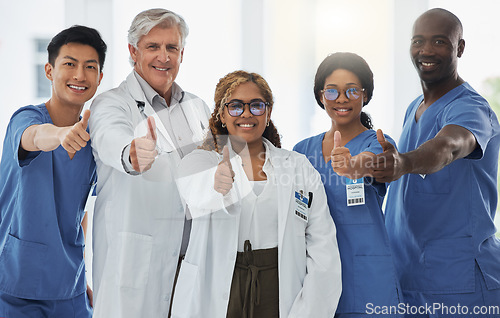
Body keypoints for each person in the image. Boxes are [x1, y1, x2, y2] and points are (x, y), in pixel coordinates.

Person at [171, 70, 342, 318]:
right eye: (236, 106)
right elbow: (191, 189)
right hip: (221, 291)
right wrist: (215, 182)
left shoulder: (298, 166)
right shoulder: (203, 161)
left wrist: (309, 311)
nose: (247, 113)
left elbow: (322, 247)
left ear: (268, 112)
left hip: (278, 289)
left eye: (257, 106)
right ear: (221, 113)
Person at [373, 8, 500, 316]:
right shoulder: (414, 108)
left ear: (460, 48)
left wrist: (403, 162)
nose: (426, 51)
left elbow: (448, 147)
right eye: (419, 41)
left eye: (440, 42)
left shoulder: (469, 108)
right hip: (410, 279)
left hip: (461, 284)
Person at [88, 8, 210, 318]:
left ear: (182, 53)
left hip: (190, 264)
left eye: (172, 47)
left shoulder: (197, 108)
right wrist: (132, 153)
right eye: (153, 46)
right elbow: (109, 138)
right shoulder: (112, 103)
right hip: (136, 265)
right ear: (133, 51)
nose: (163, 57)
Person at [0, 25, 106, 317]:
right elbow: (33, 137)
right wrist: (60, 136)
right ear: (49, 70)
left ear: (99, 77)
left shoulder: (93, 140)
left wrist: (81, 276)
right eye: (69, 64)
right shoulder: (26, 118)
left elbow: (79, 209)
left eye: (90, 67)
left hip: (69, 287)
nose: (79, 75)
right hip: (16, 284)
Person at [293, 52, 402, 317]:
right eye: (332, 91)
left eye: (352, 90)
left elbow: (372, 161)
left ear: (365, 95)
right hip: (314, 276)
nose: (341, 99)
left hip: (367, 277)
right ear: (321, 96)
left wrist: (352, 166)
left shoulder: (377, 143)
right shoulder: (301, 151)